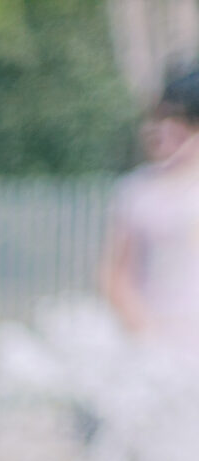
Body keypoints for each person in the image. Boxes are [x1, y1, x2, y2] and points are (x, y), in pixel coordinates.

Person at [102, 65, 199, 359]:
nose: (166, 130)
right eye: (162, 118)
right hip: (158, 343)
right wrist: (147, 335)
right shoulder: (139, 190)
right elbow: (116, 274)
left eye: (182, 120)